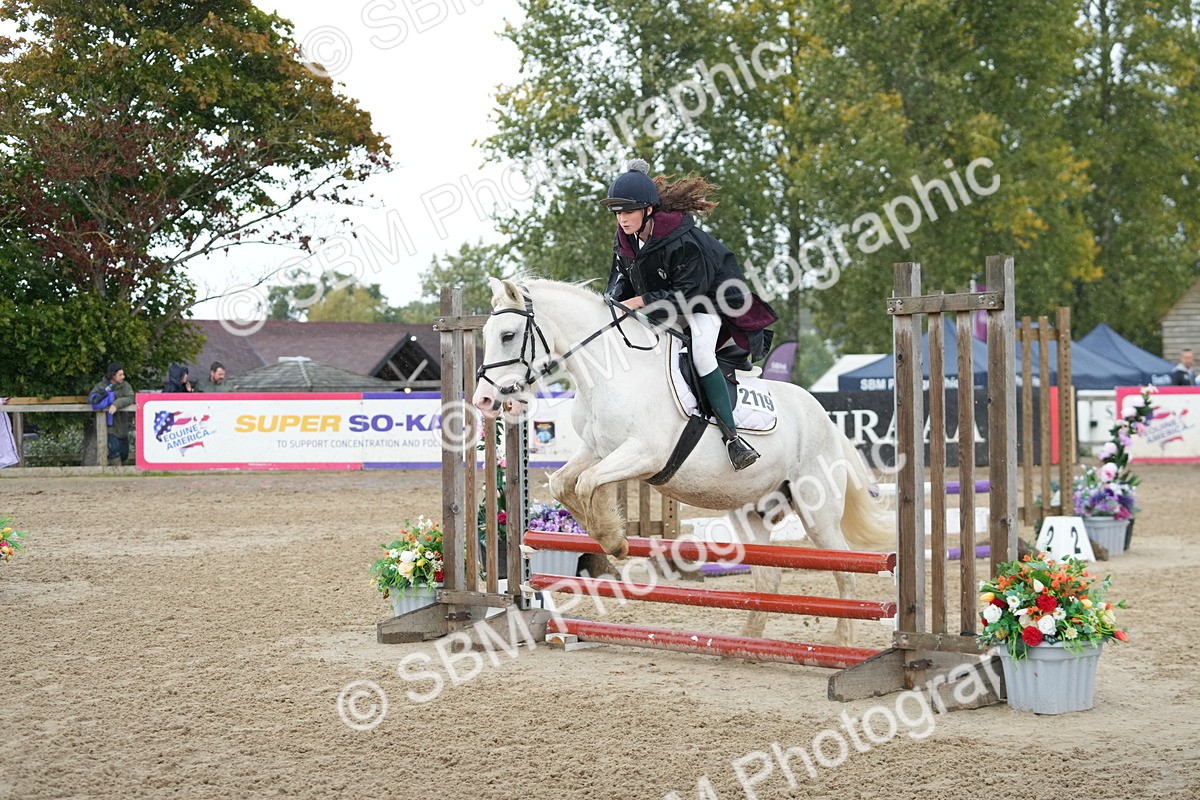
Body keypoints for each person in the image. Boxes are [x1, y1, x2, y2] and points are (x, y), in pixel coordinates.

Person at [601, 158, 777, 471]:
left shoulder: (682, 241)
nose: (622, 219)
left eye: (628, 211)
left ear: (648, 210)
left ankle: (733, 439)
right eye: (617, 212)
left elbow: (689, 296)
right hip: (665, 303)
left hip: (708, 301)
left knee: (701, 355)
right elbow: (620, 278)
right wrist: (611, 302)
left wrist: (640, 300)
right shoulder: (625, 237)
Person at [87, 362, 136, 466]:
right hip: (107, 424)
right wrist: (104, 399)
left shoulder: (125, 385)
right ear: (113, 376)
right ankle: (116, 472)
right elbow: (91, 399)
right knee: (114, 451)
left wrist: (116, 404)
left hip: (122, 424)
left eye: (123, 374)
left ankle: (122, 471)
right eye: (120, 374)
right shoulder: (101, 386)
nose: (123, 376)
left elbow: (131, 398)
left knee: (124, 453)